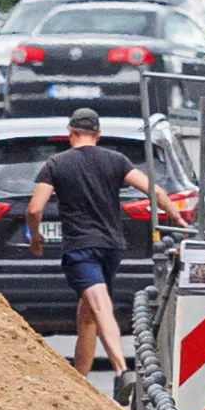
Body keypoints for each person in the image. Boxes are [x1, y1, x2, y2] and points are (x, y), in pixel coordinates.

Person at [26, 108, 188, 381]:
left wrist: (35, 236)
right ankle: (81, 381)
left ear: (70, 133)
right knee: (87, 315)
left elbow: (34, 209)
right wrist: (178, 219)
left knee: (100, 306)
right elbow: (155, 191)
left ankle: (122, 370)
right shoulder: (117, 161)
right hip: (111, 248)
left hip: (81, 249)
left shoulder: (56, 164)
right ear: (98, 135)